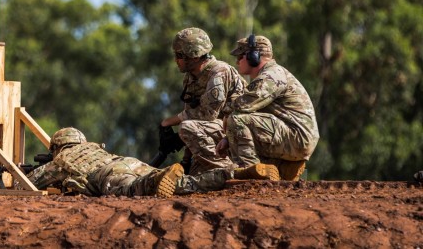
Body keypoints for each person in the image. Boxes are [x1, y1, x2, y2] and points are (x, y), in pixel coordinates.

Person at [26, 127, 280, 197]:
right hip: (127, 161)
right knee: (184, 183)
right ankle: (236, 173)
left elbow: (27, 184)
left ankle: (157, 179)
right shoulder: (92, 148)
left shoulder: (61, 159)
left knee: (144, 188)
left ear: (57, 146)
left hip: (108, 177)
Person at [217, 34, 320, 181]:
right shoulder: (270, 74)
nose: (237, 61)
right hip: (294, 137)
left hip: (297, 138)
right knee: (238, 129)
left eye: (241, 56)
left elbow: (243, 105)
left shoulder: (272, 75)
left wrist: (218, 111)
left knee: (236, 119)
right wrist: (229, 138)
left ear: (254, 56)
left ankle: (249, 173)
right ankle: (283, 168)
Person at [160, 28, 247, 175]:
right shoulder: (190, 77)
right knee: (193, 174)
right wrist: (186, 161)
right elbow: (194, 117)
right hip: (219, 134)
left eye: (179, 55)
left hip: (238, 131)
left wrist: (169, 122)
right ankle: (218, 170)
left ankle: (229, 170)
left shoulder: (219, 72)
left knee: (185, 127)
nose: (176, 60)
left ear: (194, 57)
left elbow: (207, 115)